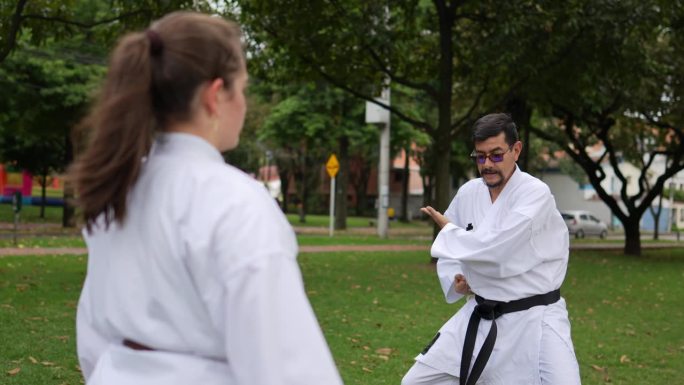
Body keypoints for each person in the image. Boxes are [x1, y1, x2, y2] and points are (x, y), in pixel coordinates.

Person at [69, 11, 343, 385]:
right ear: (216, 96)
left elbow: (94, 339)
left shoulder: (117, 189)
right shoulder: (234, 203)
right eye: (242, 89)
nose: (244, 103)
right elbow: (288, 367)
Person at [402, 113, 581, 385]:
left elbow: (498, 249)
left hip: (534, 319)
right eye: (480, 156)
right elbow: (454, 256)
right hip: (480, 313)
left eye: (496, 155)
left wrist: (451, 232)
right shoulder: (469, 192)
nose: (487, 164)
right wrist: (457, 280)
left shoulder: (534, 194)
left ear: (516, 150)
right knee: (417, 382)